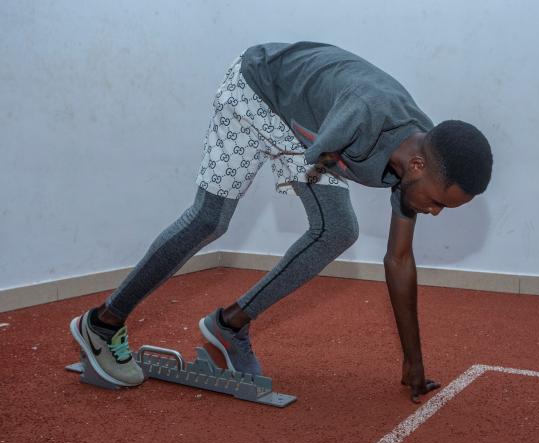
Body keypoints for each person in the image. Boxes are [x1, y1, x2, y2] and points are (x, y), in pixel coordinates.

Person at [69, 42, 493, 403]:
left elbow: (399, 259)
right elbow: (315, 157)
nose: (434, 212)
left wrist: (413, 363)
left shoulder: (417, 161)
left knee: (337, 230)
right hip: (257, 89)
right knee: (210, 218)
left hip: (308, 125)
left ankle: (228, 325)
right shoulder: (362, 117)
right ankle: (101, 324)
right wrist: (314, 172)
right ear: (418, 165)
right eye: (438, 203)